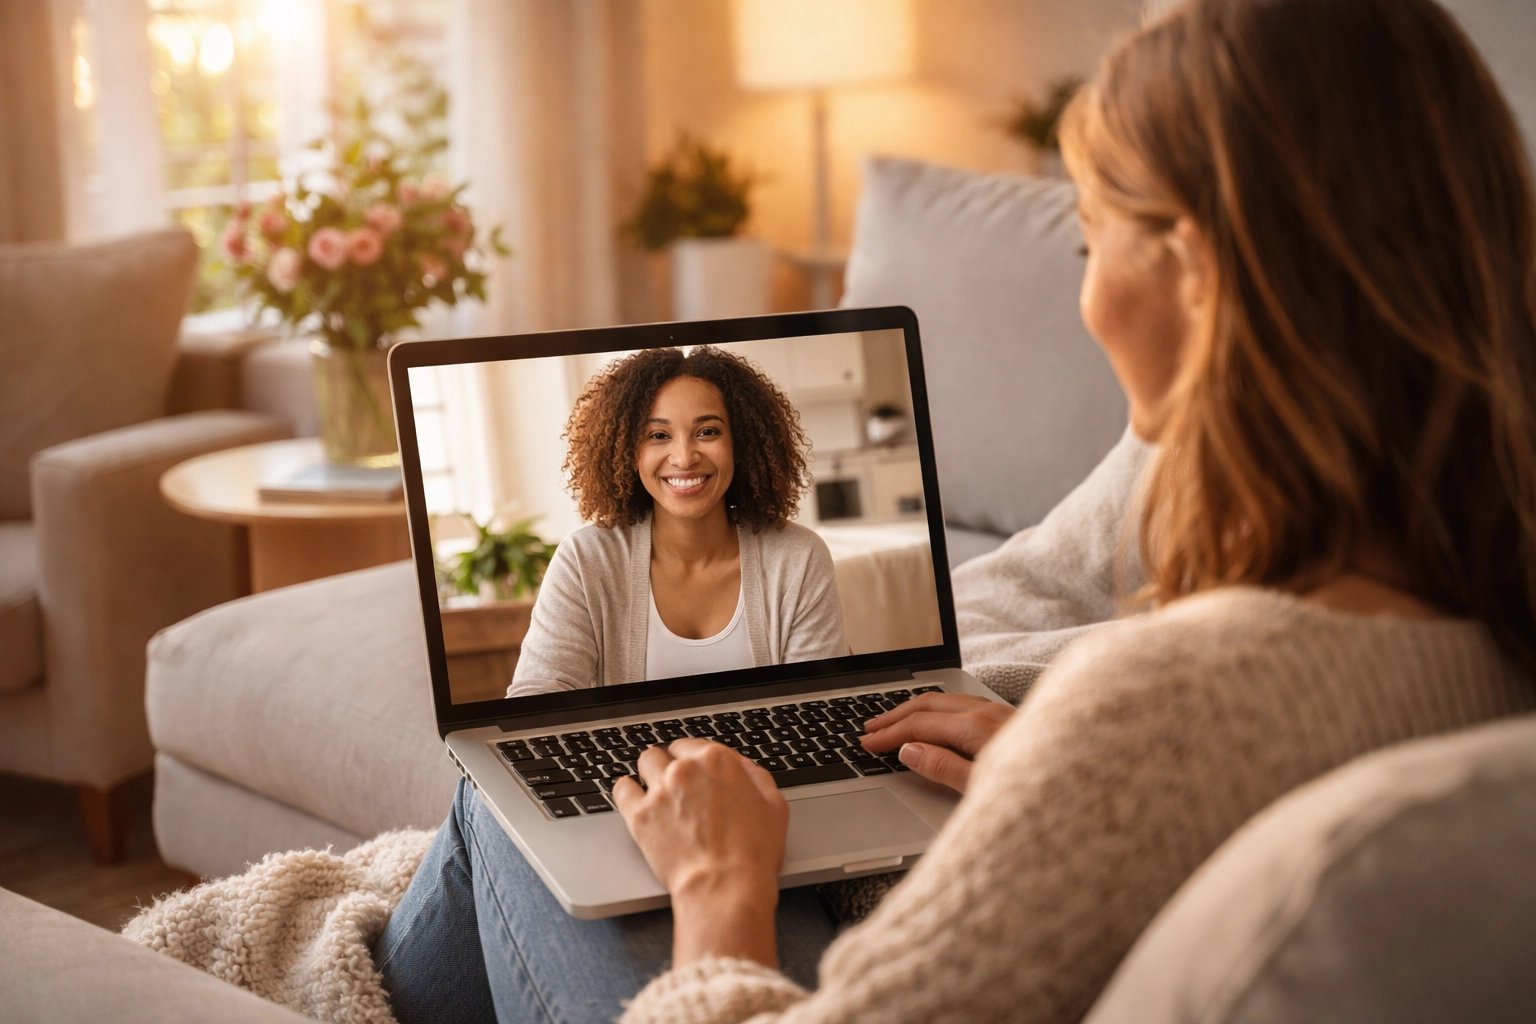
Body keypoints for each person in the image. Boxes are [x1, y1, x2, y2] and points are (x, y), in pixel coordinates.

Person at [375, 1, 1536, 1021]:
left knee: (514, 816)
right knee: (522, 811)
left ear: (1191, 271)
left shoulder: (1157, 707)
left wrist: (720, 890)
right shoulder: (1498, 625)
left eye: (1087, 237)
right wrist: (1059, 782)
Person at [507, 346, 848, 697]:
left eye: (708, 432)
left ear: (740, 443)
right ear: (628, 451)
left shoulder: (799, 557)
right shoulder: (586, 559)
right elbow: (534, 701)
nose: (684, 458)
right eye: (658, 436)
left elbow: (818, 704)